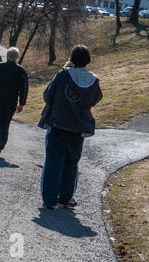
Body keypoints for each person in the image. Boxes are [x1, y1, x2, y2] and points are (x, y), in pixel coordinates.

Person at [38, 45, 102, 210]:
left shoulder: (63, 75)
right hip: (78, 128)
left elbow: (48, 96)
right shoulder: (94, 81)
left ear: (72, 59)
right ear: (88, 60)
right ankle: (66, 198)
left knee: (53, 163)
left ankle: (50, 200)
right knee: (71, 164)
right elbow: (95, 99)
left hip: (59, 124)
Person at [0, 47, 28, 158]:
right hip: (11, 102)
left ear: (7, 56)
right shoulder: (21, 71)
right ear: (17, 57)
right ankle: (0, 148)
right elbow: (24, 88)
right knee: (5, 124)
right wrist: (21, 103)